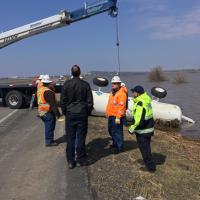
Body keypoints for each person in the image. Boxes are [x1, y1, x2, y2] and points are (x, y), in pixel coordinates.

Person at [60, 65, 93, 169]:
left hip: (70, 113)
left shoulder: (66, 84)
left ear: (71, 73)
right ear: (79, 73)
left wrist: (66, 112)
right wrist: (86, 113)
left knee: (70, 138)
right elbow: (90, 103)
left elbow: (62, 102)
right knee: (81, 137)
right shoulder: (85, 85)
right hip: (82, 113)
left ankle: (70, 161)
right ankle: (81, 159)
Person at [128, 85, 156, 172]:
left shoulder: (140, 102)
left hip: (143, 131)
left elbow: (139, 120)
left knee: (144, 149)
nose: (133, 93)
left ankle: (150, 167)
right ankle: (150, 164)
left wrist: (131, 129)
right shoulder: (146, 100)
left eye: (134, 92)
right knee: (147, 148)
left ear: (138, 93)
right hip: (149, 128)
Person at [37, 75, 61, 147]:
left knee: (48, 126)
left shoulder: (41, 89)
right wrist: (58, 114)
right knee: (49, 126)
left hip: (41, 111)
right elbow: (53, 105)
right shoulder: (48, 92)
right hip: (47, 112)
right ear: (49, 83)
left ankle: (50, 140)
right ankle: (49, 141)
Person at [106, 76, 127, 154]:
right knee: (111, 130)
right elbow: (110, 104)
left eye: (115, 84)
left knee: (117, 132)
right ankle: (115, 143)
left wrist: (118, 117)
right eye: (112, 83)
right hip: (111, 115)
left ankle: (119, 147)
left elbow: (122, 106)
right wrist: (107, 112)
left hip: (117, 116)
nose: (113, 85)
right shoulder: (112, 93)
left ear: (119, 84)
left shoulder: (122, 94)